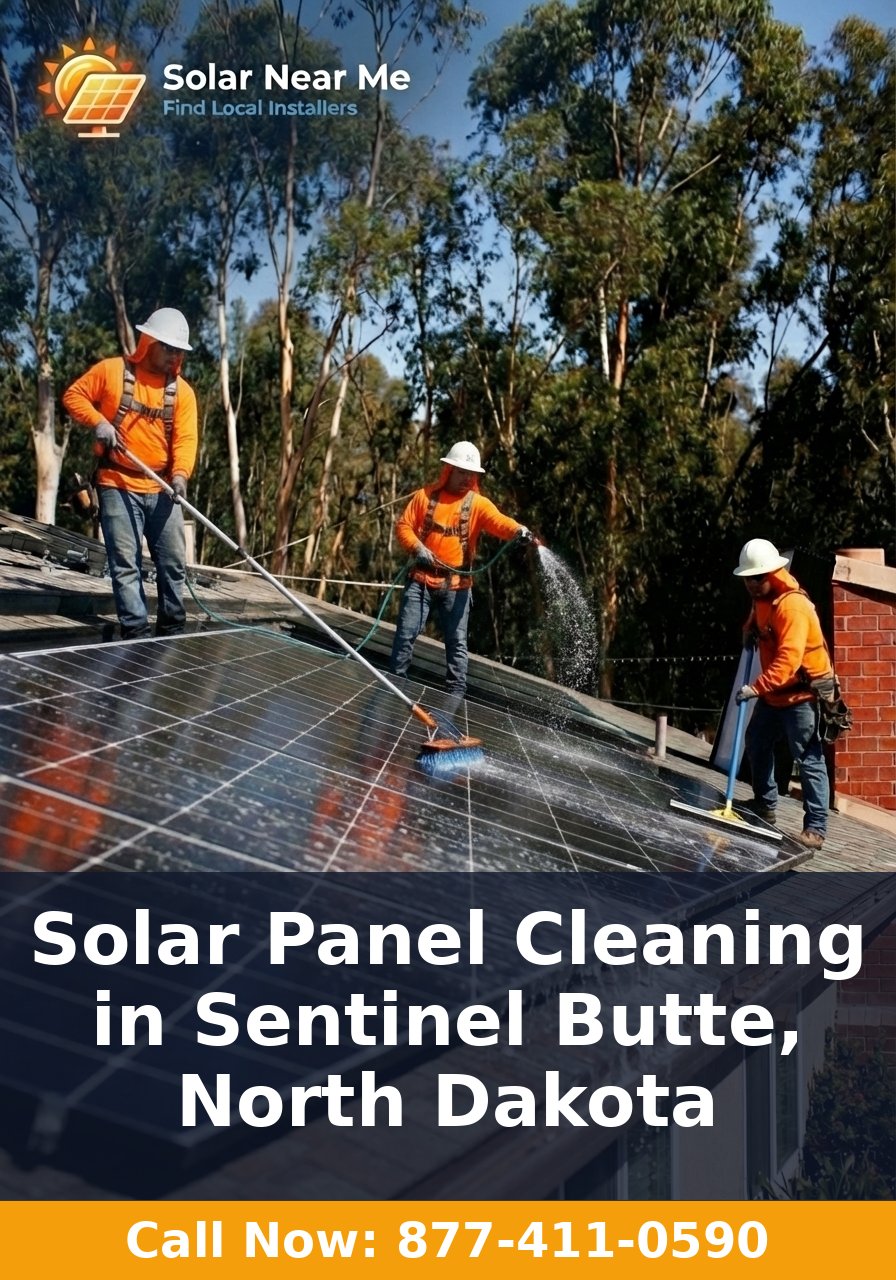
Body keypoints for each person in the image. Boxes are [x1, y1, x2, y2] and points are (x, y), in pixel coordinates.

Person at [63, 308, 198, 639]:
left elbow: (185, 439)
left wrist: (180, 476)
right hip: (117, 483)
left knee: (172, 565)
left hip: (163, 488)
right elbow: (73, 396)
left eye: (179, 350)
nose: (174, 355)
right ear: (148, 342)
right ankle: (137, 636)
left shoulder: (182, 393)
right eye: (168, 347)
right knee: (126, 563)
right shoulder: (111, 372)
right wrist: (99, 422)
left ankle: (171, 632)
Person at [390, 441, 534, 696]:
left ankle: (456, 696)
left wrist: (518, 530)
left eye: (471, 473)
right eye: (461, 472)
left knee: (456, 644)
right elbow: (404, 526)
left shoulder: (477, 504)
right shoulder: (425, 496)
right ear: (448, 470)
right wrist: (417, 548)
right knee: (406, 633)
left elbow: (500, 522)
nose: (466, 478)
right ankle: (395, 686)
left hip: (457, 586)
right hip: (421, 579)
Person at [732, 538, 833, 850]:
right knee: (758, 741)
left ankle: (815, 828)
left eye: (755, 578)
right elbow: (757, 618)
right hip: (776, 694)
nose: (749, 584)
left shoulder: (793, 607)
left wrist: (755, 688)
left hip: (800, 695)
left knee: (808, 757)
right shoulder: (762, 596)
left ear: (770, 574)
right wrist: (748, 629)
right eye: (747, 578)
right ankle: (765, 804)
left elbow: (788, 662)